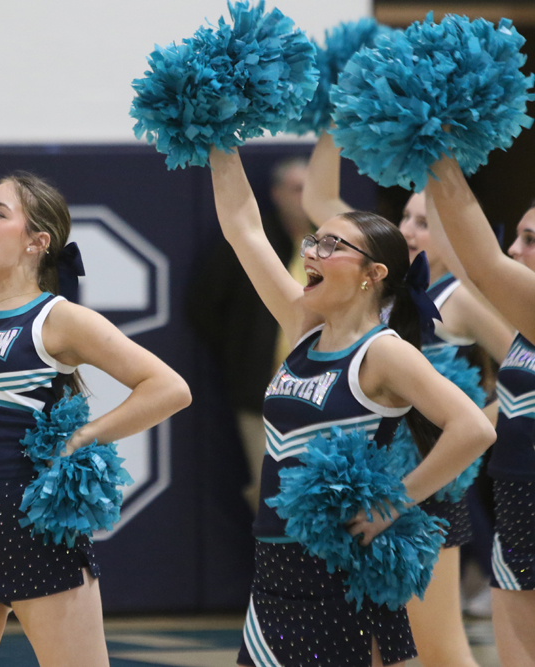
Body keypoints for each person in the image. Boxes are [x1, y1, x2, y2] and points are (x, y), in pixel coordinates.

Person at [0, 76, 192, 667]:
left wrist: (82, 438)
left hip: (33, 531)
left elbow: (170, 388)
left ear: (35, 242)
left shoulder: (59, 319)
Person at [207, 146, 495, 667]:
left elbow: (473, 427)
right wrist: (216, 138)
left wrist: (396, 501)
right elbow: (243, 227)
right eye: (315, 240)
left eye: (332, 245)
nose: (312, 251)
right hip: (274, 559)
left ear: (372, 273)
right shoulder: (302, 327)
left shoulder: (384, 351)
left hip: (340, 567)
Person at [302, 132, 513, 667]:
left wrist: (469, 423)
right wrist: (333, 124)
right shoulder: (382, 292)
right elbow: (318, 202)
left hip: (425, 487)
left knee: (438, 647)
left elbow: (522, 370)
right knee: (378, 648)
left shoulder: (458, 297)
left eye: (426, 221)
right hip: (370, 481)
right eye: (407, 219)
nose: (412, 230)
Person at [429, 155, 535, 667]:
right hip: (516, 500)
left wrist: (439, 147)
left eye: (531, 239)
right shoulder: (522, 321)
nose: (515, 249)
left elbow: (483, 263)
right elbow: (465, 256)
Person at [187, 156, 313, 512]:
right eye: (296, 188)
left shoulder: (330, 246)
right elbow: (203, 306)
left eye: (311, 189)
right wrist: (240, 354)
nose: (304, 198)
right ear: (275, 194)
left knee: (319, 494)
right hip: (263, 390)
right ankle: (275, 564)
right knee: (271, 495)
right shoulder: (252, 243)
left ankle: (320, 566)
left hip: (322, 391)